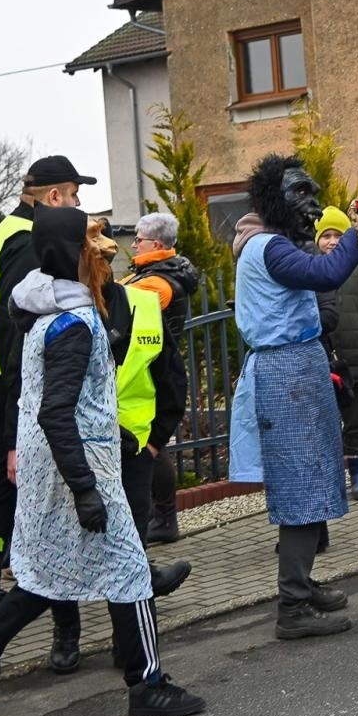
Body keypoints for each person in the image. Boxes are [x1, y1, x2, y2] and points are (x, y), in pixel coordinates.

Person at [0, 208, 205, 716]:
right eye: (95, 247)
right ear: (76, 255)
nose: (106, 255)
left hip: (52, 464)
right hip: (80, 466)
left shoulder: (45, 309)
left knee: (47, 571)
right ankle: (147, 684)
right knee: (129, 570)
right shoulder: (76, 323)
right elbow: (57, 411)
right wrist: (86, 489)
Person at [230, 154, 358, 640]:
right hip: (288, 372)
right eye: (300, 194)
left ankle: (303, 585)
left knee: (310, 479)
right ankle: (292, 606)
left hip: (296, 367)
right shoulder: (269, 247)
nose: (311, 204)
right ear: (274, 200)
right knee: (301, 488)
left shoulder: (267, 242)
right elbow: (328, 274)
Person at [0, 156, 95, 676]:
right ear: (51, 198)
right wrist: (13, 436)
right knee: (50, 522)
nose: (76, 205)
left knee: (29, 524)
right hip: (18, 394)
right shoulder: (27, 242)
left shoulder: (4, 233)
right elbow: (25, 336)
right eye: (71, 195)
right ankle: (59, 633)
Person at [118, 211, 202, 544]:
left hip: (149, 369)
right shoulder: (159, 272)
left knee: (151, 446)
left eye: (137, 239)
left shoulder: (156, 281)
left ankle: (165, 517)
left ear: (154, 243)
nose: (133, 245)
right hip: (154, 366)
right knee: (152, 444)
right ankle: (162, 515)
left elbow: (122, 300)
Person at [316, 206, 358, 501]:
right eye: (326, 235)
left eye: (338, 235)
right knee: (324, 425)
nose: (332, 241)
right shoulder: (311, 272)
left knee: (357, 421)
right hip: (323, 365)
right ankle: (330, 479)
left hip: (357, 364)